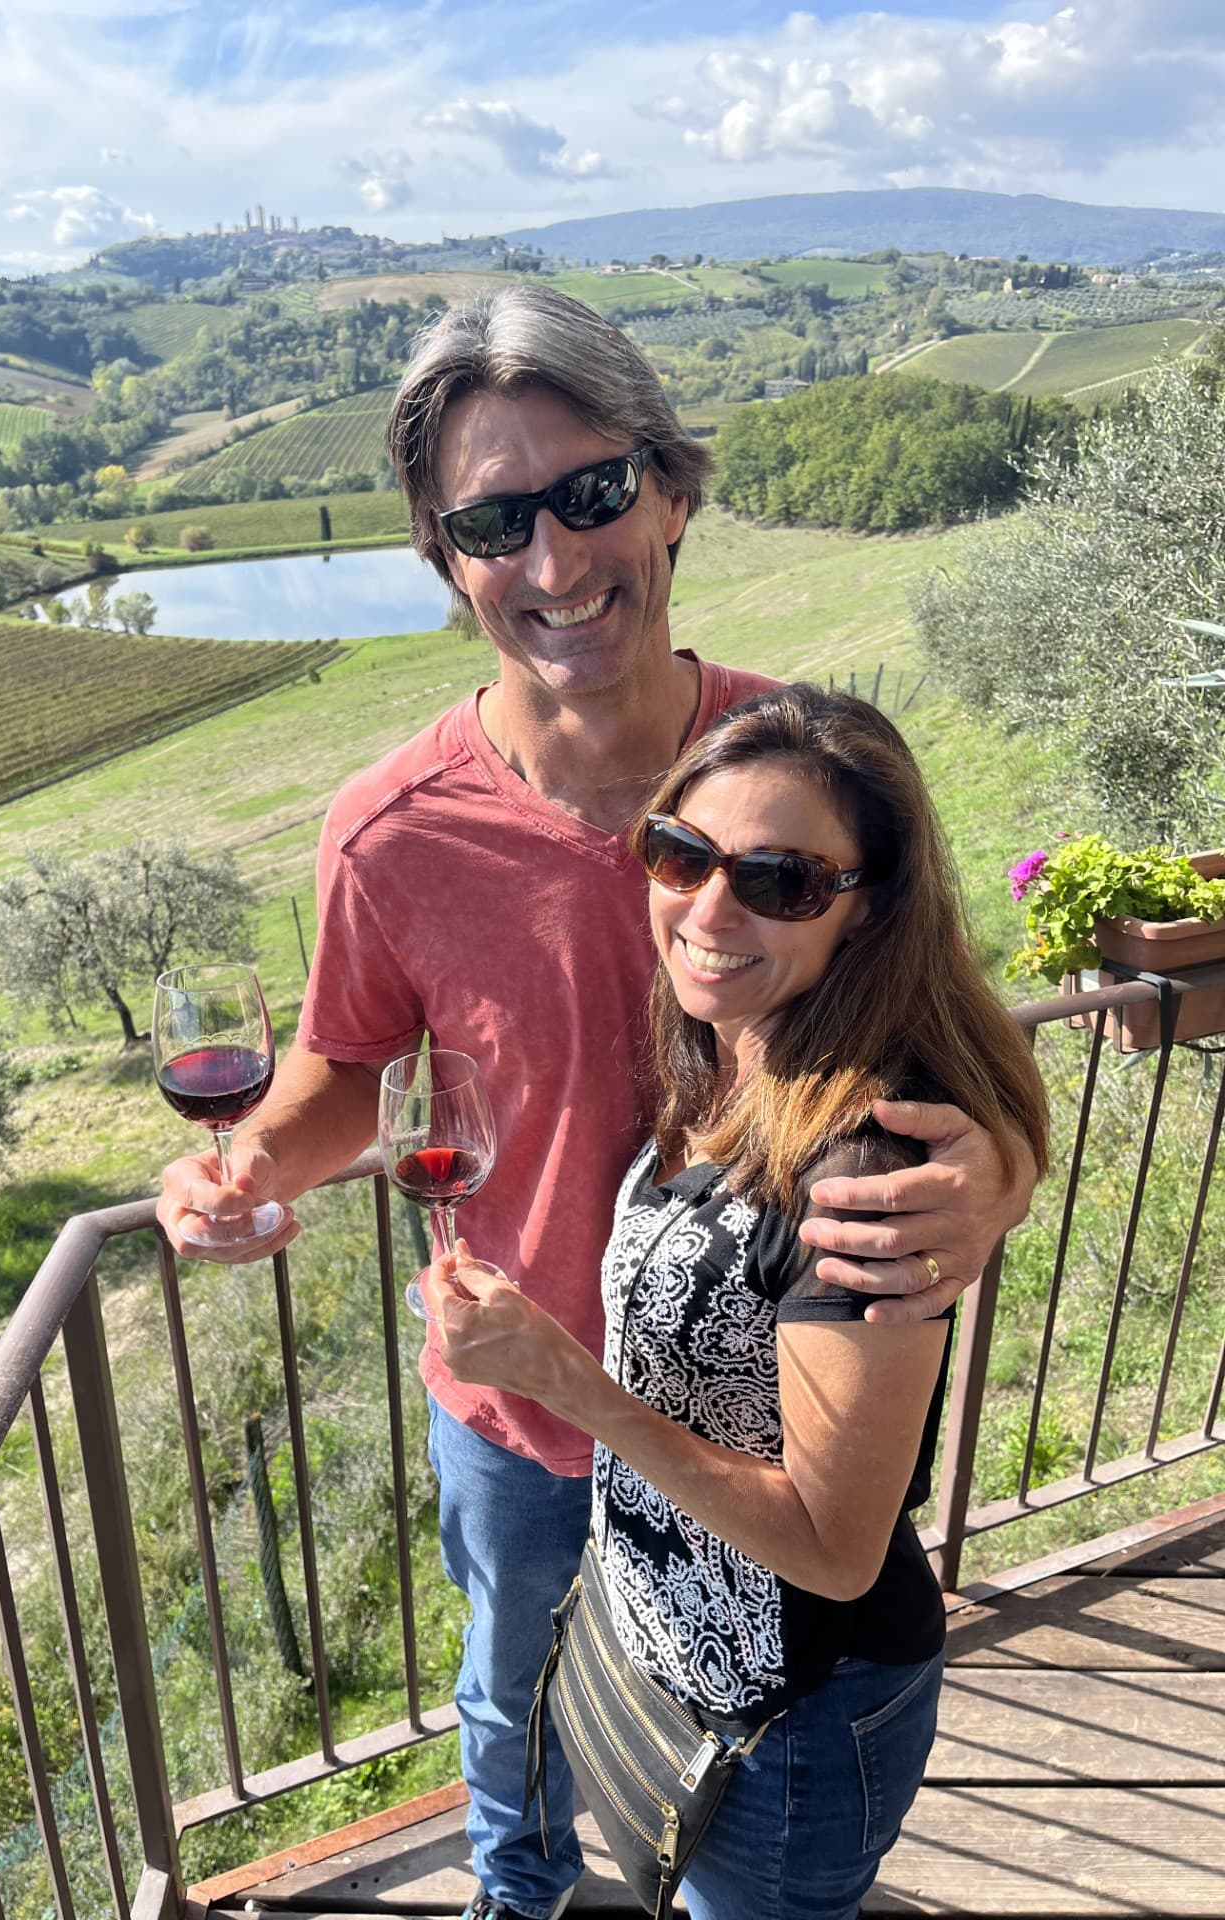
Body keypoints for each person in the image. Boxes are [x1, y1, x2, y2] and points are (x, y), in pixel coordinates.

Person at [157, 285, 1036, 1920]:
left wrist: (996, 1171)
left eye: (591, 492)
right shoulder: (389, 829)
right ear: (448, 560)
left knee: (737, 1775)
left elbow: (949, 1025)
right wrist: (239, 1169)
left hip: (760, 1429)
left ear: (673, 491)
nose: (556, 561)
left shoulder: (799, 770)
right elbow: (345, 1076)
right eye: (496, 521)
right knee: (520, 1721)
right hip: (518, 1410)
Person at [421, 684, 1051, 1920]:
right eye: (682, 854)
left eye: (781, 881)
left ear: (867, 913)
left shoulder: (868, 1167)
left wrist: (568, 1384)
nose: (709, 909)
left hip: (791, 1731)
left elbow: (831, 1545)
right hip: (689, 1673)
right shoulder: (732, 1046)